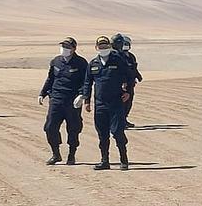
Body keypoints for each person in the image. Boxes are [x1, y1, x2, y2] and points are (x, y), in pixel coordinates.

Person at [81, 36, 135, 170]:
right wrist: (86, 100)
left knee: (117, 132)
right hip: (100, 104)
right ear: (96, 48)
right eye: (100, 46)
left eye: (105, 46)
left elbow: (130, 76)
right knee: (102, 134)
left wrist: (128, 91)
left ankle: (124, 160)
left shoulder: (118, 60)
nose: (103, 49)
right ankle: (105, 161)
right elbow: (87, 82)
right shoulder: (93, 63)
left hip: (116, 103)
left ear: (109, 47)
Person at [39, 37, 88, 165]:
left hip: (72, 102)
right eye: (63, 46)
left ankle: (72, 155)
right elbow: (50, 79)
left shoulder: (81, 63)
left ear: (74, 49)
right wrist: (42, 93)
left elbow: (86, 82)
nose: (64, 49)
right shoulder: (56, 61)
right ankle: (56, 154)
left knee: (73, 128)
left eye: (67, 47)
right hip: (56, 99)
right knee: (50, 127)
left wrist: (82, 95)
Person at [112, 33, 143, 128]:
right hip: (120, 84)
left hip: (130, 84)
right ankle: (118, 122)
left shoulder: (131, 56)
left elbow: (133, 68)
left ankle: (124, 119)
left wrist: (138, 76)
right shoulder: (115, 56)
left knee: (128, 103)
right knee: (121, 103)